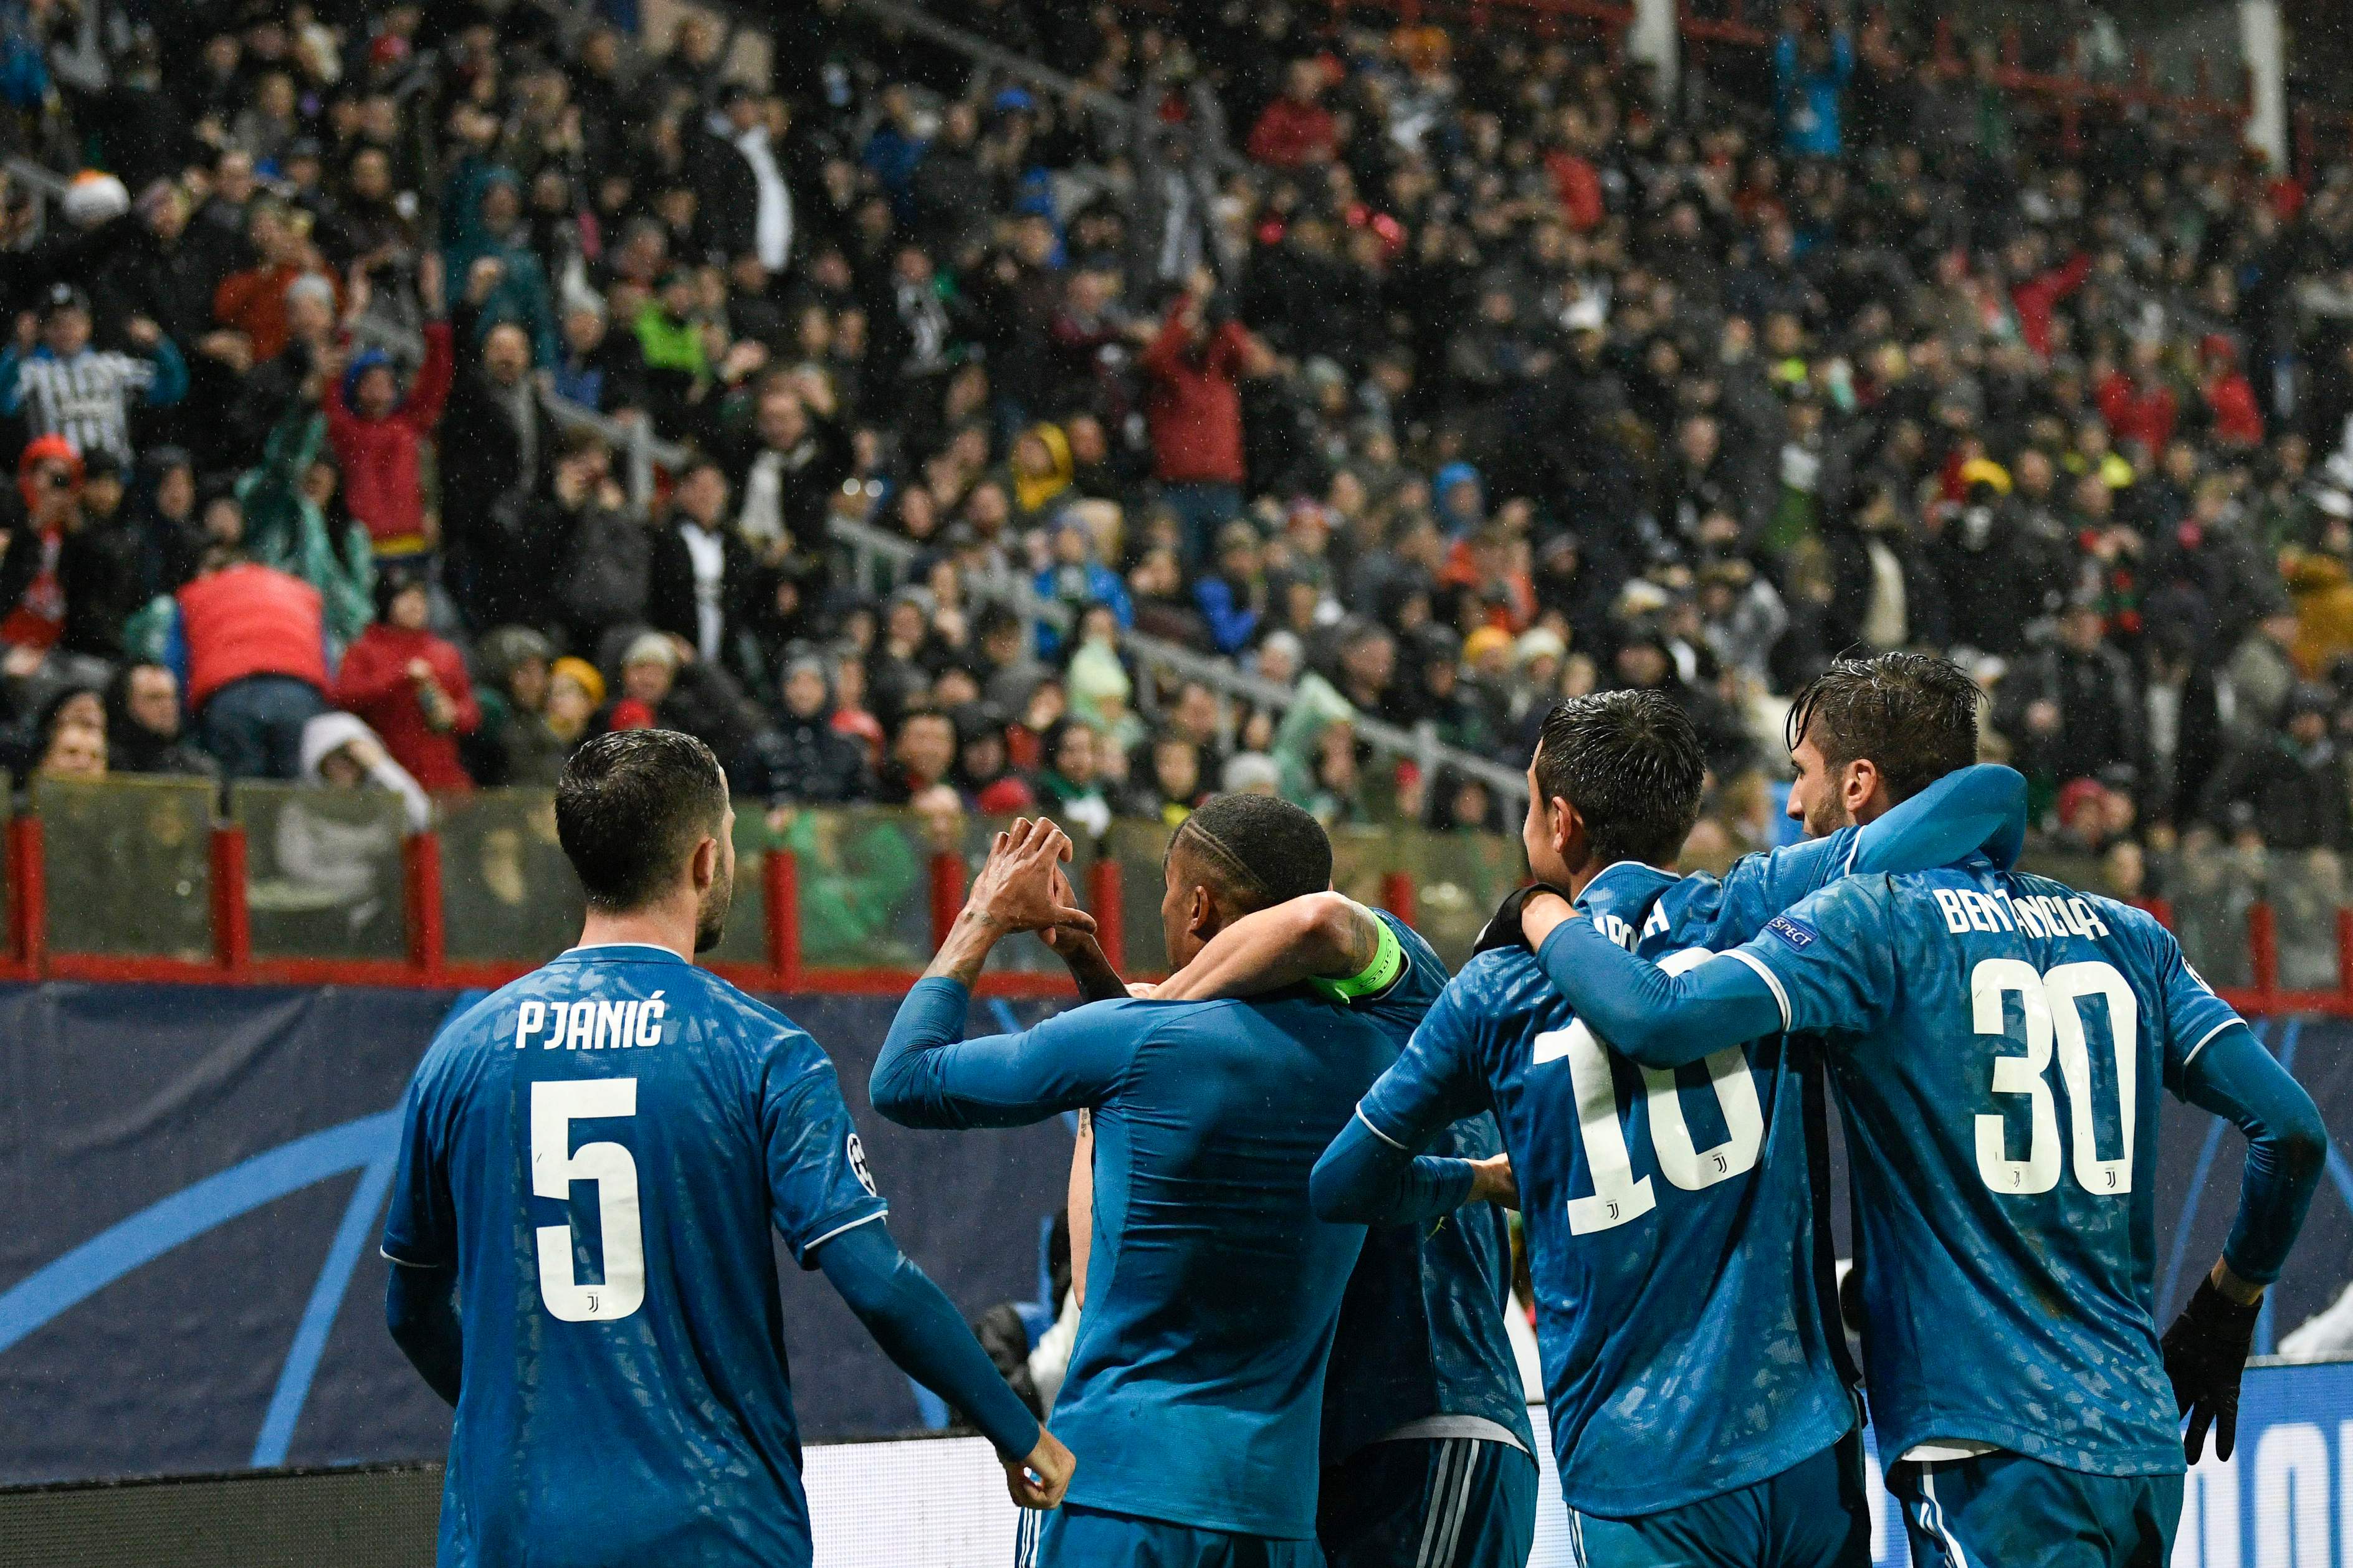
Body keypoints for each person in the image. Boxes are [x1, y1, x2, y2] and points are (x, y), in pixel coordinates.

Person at [1514, 658, 2330, 1568]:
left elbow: (1657, 1021)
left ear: (1858, 784)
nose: (1792, 804)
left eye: (1802, 773)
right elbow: (2292, 1130)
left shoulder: (1871, 920)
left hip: (1986, 1441)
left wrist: (1544, 916)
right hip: (2135, 1439)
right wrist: (2231, 1301)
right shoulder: (2132, 934)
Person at [1304, 677, 2027, 1567]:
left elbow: (1340, 1183)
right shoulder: (1750, 908)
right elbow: (1985, 797)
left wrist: (1470, 1179)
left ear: (1559, 822)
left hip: (1636, 1467)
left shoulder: (1494, 994)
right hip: (1799, 1445)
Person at [382, 729, 1072, 1568]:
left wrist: (527, 1424)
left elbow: (410, 1309)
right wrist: (1017, 1433)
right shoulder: (761, 1053)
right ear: (707, 859)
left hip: (510, 1532)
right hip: (715, 1530)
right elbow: (880, 1286)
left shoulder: (461, 1053)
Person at [870, 800, 1403, 1567]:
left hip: (1117, 1496)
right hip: (1276, 1514)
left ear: (1197, 906)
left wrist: (981, 918)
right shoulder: (1380, 1059)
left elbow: (904, 1079)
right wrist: (1096, 975)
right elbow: (1200, 1082)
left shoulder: (1131, 1044)